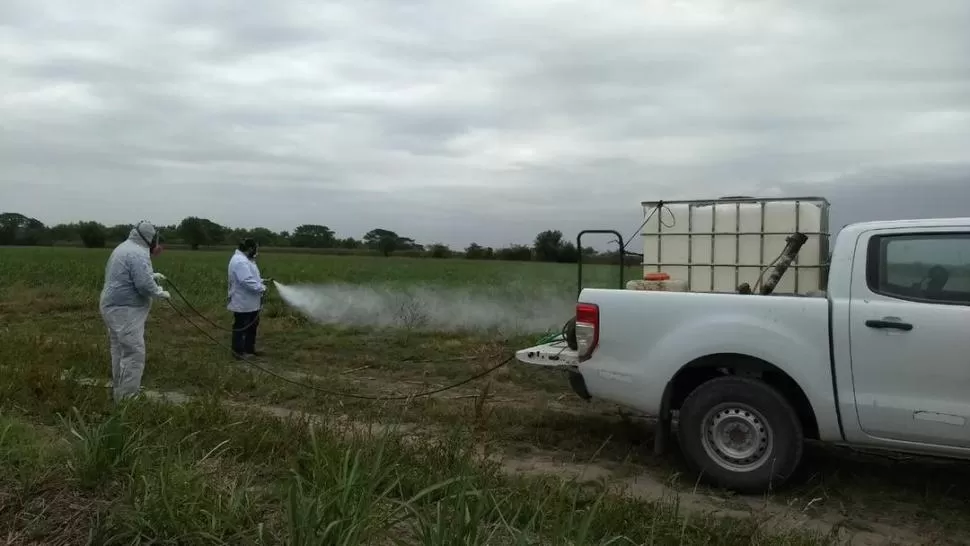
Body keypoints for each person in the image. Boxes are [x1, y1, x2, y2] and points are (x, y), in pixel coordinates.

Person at [99, 220, 170, 403]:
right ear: (149, 237)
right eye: (154, 238)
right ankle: (128, 399)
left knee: (119, 350)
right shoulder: (138, 253)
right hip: (125, 311)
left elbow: (131, 275)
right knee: (133, 353)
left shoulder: (125, 247)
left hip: (113, 307)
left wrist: (152, 275)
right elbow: (143, 285)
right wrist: (159, 292)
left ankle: (120, 389)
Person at [227, 238, 271, 359]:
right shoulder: (240, 261)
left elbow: (250, 277)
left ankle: (249, 350)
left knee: (252, 326)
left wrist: (262, 281)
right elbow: (246, 281)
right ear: (250, 248)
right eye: (256, 249)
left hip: (251, 302)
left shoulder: (246, 260)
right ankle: (238, 352)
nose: (257, 252)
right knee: (241, 327)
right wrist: (262, 288)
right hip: (242, 301)